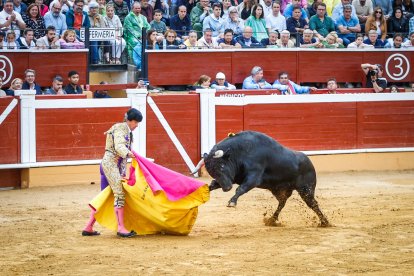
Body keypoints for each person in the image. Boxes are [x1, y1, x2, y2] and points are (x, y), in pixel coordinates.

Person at [82, 108, 143, 238]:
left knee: (104, 198)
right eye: (136, 122)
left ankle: (88, 227)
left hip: (109, 165)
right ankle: (121, 228)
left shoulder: (124, 129)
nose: (137, 125)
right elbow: (119, 146)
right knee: (119, 194)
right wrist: (128, 153)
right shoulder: (121, 128)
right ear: (129, 120)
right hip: (111, 166)